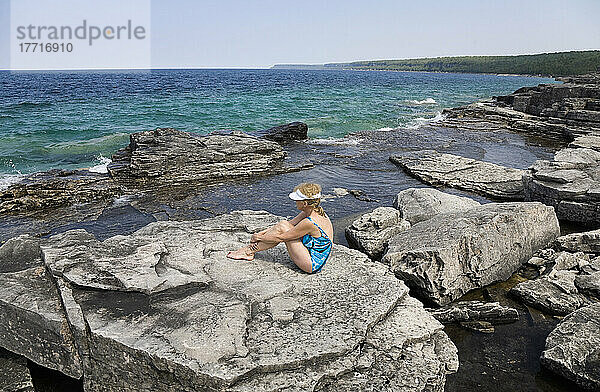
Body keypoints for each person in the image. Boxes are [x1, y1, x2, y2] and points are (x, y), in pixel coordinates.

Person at [226, 182, 333, 273]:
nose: (295, 202)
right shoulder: (314, 210)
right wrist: (260, 233)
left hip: (311, 264)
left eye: (297, 200)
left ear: (305, 203)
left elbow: (281, 238)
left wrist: (259, 238)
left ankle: (248, 251)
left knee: (282, 230)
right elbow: (288, 223)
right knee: (283, 224)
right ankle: (248, 251)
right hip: (311, 253)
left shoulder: (309, 222)